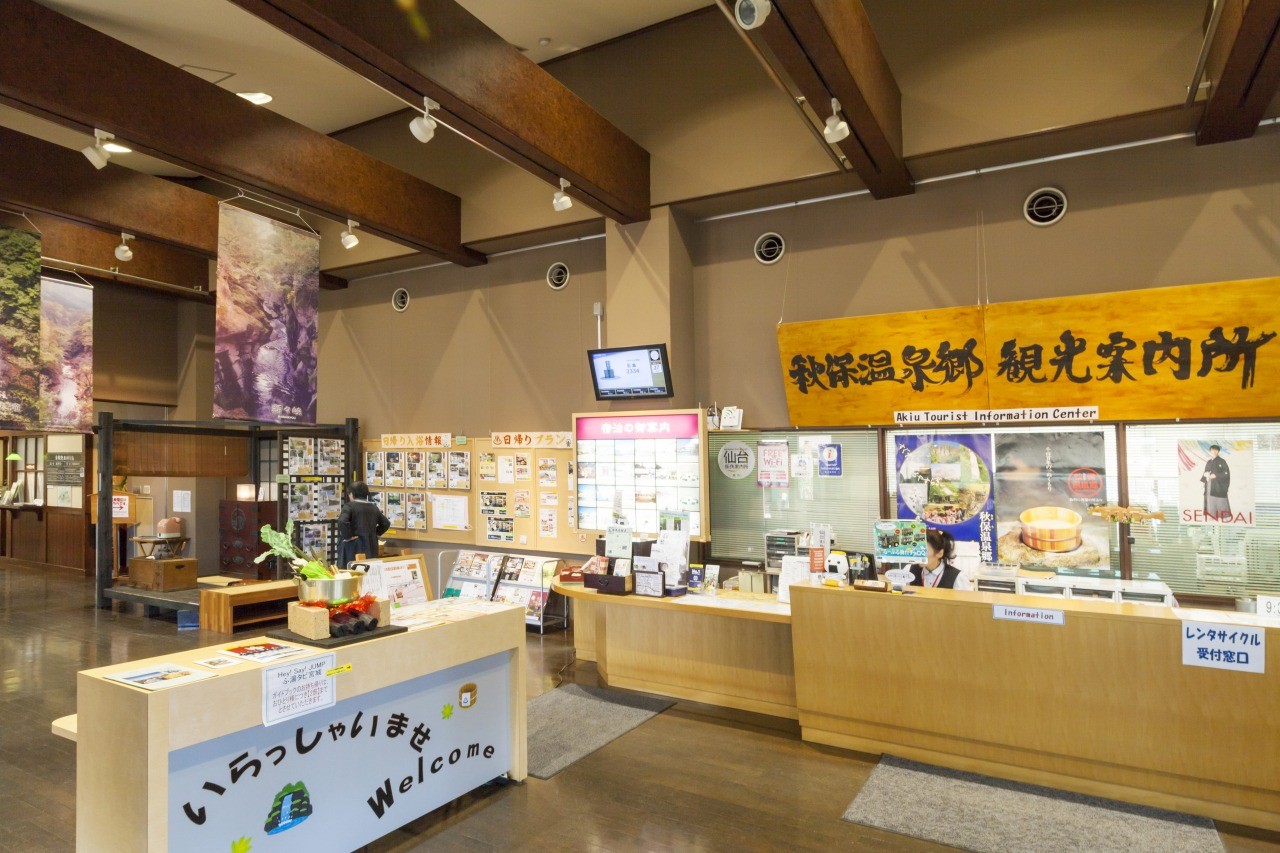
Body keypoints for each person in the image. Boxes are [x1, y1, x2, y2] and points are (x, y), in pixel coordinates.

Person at [338, 482, 390, 568]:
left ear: (351, 494)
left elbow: (342, 521)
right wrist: (375, 533)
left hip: (353, 547)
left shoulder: (349, 506)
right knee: (369, 571)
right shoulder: (373, 507)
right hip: (371, 546)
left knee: (351, 571)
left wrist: (348, 536)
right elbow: (386, 523)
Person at [1201, 444, 1231, 517]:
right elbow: (1205, 471)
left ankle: (1222, 515)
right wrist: (1204, 480)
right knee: (1209, 498)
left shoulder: (1222, 461)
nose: (1214, 451)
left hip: (1218, 484)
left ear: (1218, 451)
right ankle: (1211, 514)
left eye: (1216, 450)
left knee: (1219, 499)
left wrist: (1216, 475)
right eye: (1212, 450)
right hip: (1209, 484)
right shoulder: (1209, 462)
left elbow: (1226, 473)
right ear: (1210, 451)